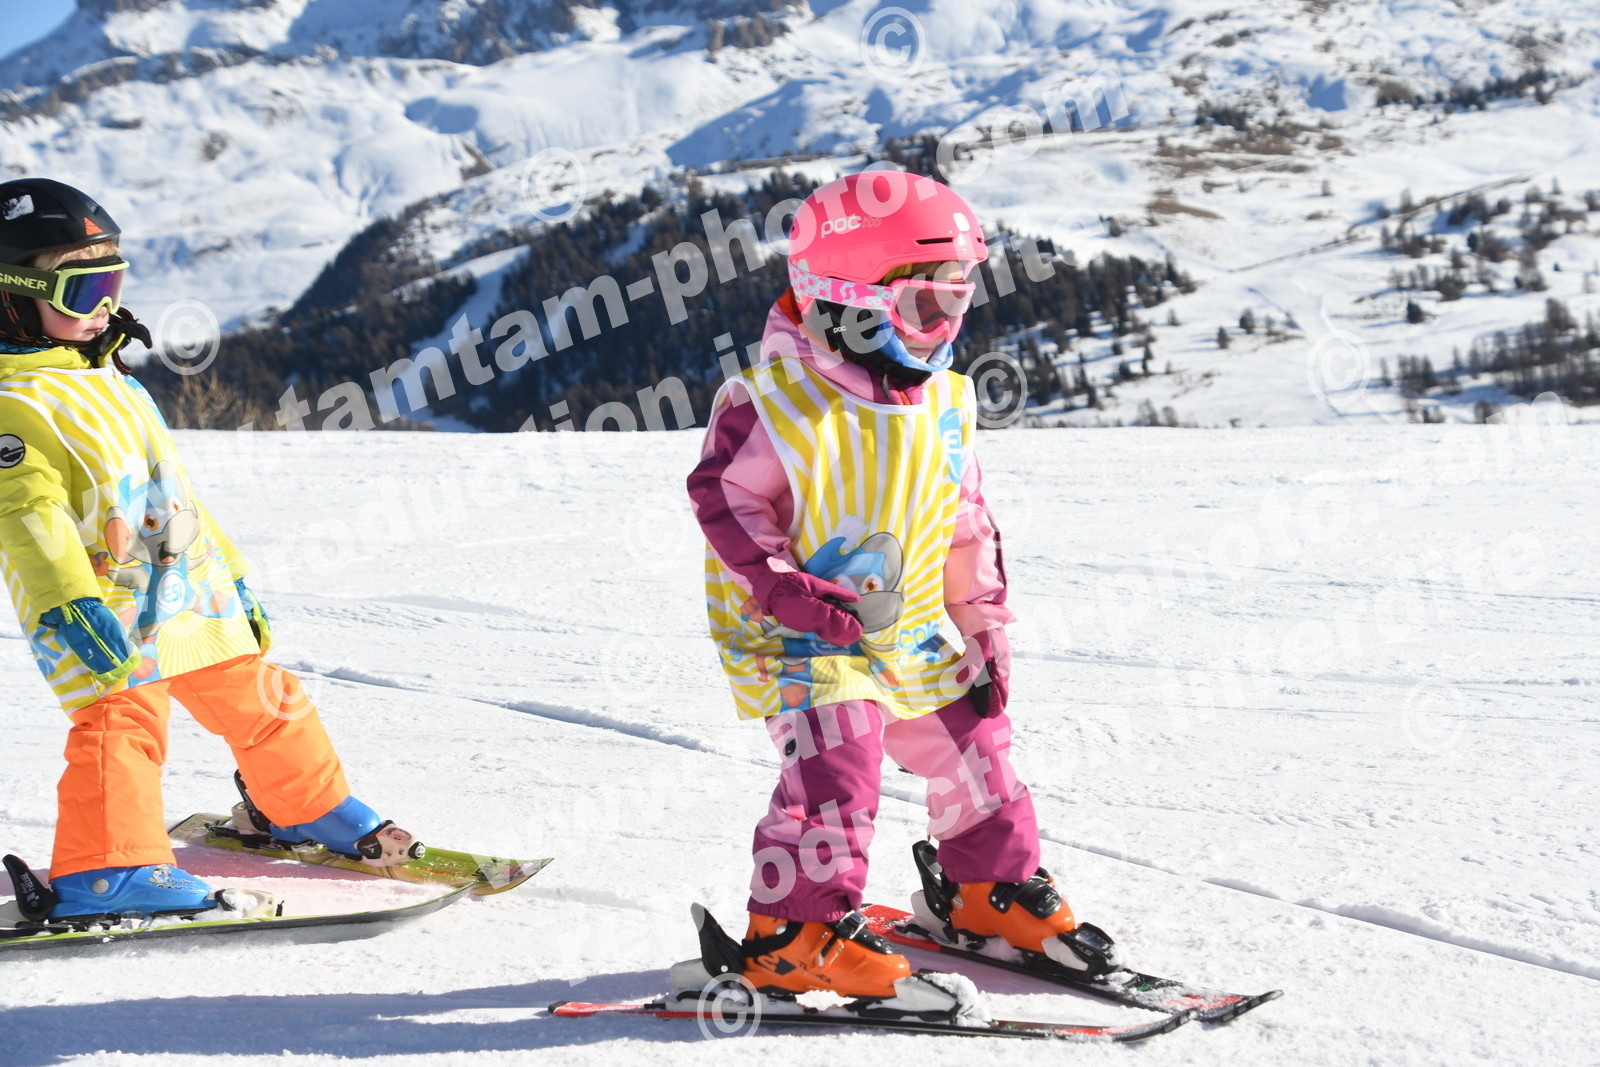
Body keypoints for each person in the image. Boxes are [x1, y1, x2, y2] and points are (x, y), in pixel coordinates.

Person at [687, 170, 1116, 998]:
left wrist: (981, 621)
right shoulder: (775, 404)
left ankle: (987, 890)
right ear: (844, 300)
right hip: (800, 636)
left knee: (976, 746)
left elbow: (964, 520)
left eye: (959, 299)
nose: (945, 327)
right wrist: (781, 586)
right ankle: (795, 933)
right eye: (925, 304)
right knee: (836, 766)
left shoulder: (946, 402)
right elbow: (725, 498)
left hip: (909, 627)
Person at [0, 178, 418, 922]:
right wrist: (69, 604)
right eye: (81, 287)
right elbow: (27, 518)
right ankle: (110, 870)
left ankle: (302, 806)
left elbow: (173, 489)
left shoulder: (108, 376)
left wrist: (234, 578)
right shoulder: (15, 404)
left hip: (189, 588)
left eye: (113, 282)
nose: (103, 304)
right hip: (99, 609)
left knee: (266, 697)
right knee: (123, 723)